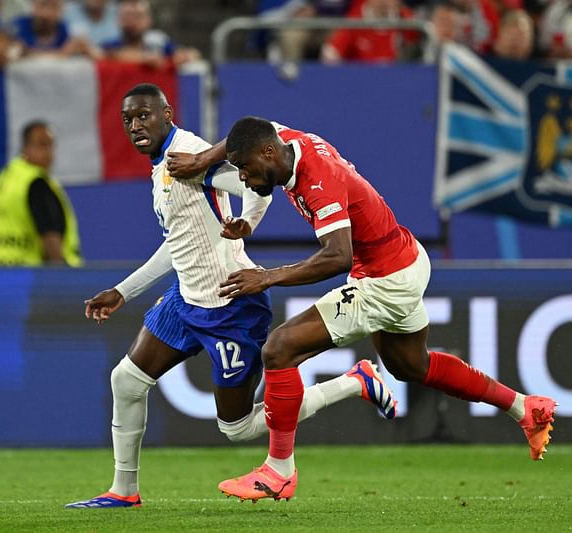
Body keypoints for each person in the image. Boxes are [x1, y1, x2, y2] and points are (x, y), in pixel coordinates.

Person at [167, 116, 557, 503]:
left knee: (279, 349)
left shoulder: (317, 180)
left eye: (247, 171)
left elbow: (337, 256)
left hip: (383, 280)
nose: (246, 181)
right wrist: (203, 160)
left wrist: (267, 277)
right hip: (405, 258)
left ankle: (279, 470)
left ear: (268, 153)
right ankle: (524, 407)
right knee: (410, 365)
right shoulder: (286, 141)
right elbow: (256, 125)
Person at [64, 84, 398, 509]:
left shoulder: (189, 155)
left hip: (230, 303)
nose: (136, 125)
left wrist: (247, 222)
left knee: (237, 429)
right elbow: (178, 241)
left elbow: (257, 184)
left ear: (167, 113)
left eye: (145, 115)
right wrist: (122, 292)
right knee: (126, 380)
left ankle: (355, 382)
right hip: (186, 300)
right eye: (128, 119)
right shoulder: (161, 167)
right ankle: (123, 491)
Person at [0, 121, 83, 267]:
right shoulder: (35, 183)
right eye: (41, 144)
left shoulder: (1, 179)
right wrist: (64, 279)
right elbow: (50, 236)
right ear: (25, 147)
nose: (48, 153)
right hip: (31, 279)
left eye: (50, 145)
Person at [100, 0, 199, 68]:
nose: (132, 22)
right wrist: (144, 59)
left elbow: (191, 53)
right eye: (127, 16)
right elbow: (99, 55)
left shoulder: (159, 42)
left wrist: (183, 57)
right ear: (119, 20)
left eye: (138, 16)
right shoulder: (111, 45)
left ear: (148, 20)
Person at [10, 0, 97, 58]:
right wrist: (61, 54)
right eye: (43, 5)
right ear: (33, 6)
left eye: (54, 7)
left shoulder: (63, 29)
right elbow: (9, 53)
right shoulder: (18, 26)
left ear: (61, 10)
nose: (47, 12)